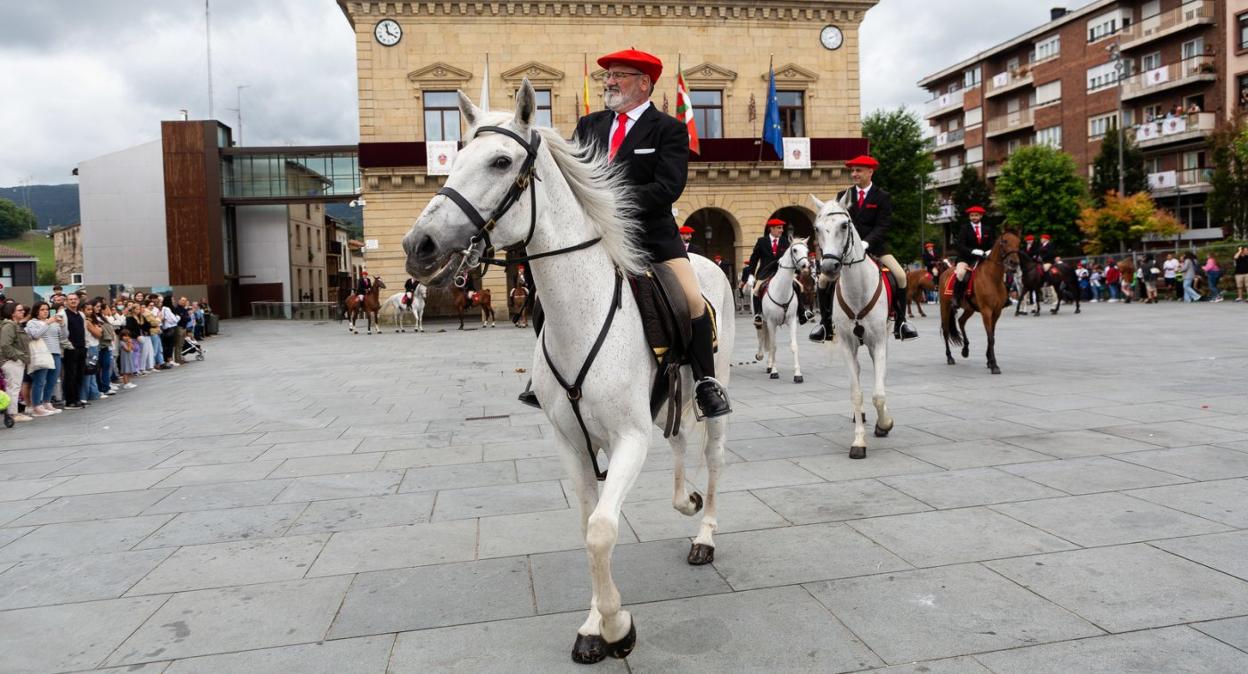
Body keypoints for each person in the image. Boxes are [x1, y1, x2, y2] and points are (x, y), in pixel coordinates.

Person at [544, 47, 728, 418]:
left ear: (643, 84)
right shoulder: (589, 126)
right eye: (607, 76)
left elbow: (667, 188)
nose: (609, 82)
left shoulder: (669, 129)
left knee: (692, 300)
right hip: (595, 239)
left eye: (619, 75)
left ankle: (706, 383)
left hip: (653, 239)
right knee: (547, 300)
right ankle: (544, 379)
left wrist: (607, 199)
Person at [810, 155, 918, 342]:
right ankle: (825, 323)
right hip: (847, 251)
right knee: (822, 280)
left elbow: (883, 225)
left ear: (870, 172)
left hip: (876, 247)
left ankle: (901, 321)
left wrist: (866, 242)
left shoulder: (882, 196)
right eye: (852, 171)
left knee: (900, 275)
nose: (854, 174)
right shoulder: (844, 196)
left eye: (858, 170)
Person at [743, 218, 792, 327]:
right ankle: (758, 314)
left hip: (781, 272)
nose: (782, 230)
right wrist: (751, 274)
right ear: (772, 229)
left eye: (782, 228)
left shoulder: (785, 241)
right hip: (765, 272)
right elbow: (754, 259)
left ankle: (802, 312)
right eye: (779, 228)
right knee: (756, 290)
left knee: (798, 286)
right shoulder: (761, 241)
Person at [950, 205, 995, 303]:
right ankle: (956, 297)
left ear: (981, 216)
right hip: (966, 258)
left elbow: (992, 243)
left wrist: (990, 251)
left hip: (983, 259)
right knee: (961, 274)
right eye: (972, 215)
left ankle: (1003, 297)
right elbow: (960, 246)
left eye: (976, 215)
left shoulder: (987, 229)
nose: (974, 217)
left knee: (998, 272)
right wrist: (973, 251)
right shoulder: (964, 228)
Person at [24, 302, 62, 415]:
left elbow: (63, 336)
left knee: (52, 380)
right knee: (39, 381)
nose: (45, 311)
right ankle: (36, 405)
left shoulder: (53, 321)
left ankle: (47, 402)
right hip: (42, 354)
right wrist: (47, 323)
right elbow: (35, 335)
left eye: (47, 309)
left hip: (55, 352)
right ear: (36, 311)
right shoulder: (32, 322)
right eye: (42, 309)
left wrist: (62, 325)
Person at [0, 303, 32, 423]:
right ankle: (13, 414)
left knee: (14, 387)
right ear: (11, 312)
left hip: (14, 360)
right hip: (11, 361)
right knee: (13, 387)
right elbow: (5, 344)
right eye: (19, 310)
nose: (22, 312)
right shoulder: (9, 325)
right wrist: (17, 357)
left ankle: (12, 413)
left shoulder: (14, 325)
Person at [60, 293, 87, 409]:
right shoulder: (62, 314)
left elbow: (84, 330)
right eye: (70, 299)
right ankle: (70, 401)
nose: (73, 301)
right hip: (70, 349)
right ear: (66, 301)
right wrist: (69, 346)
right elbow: (61, 333)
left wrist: (86, 345)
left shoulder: (81, 314)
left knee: (79, 375)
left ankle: (77, 398)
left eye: (75, 299)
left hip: (82, 347)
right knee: (70, 375)